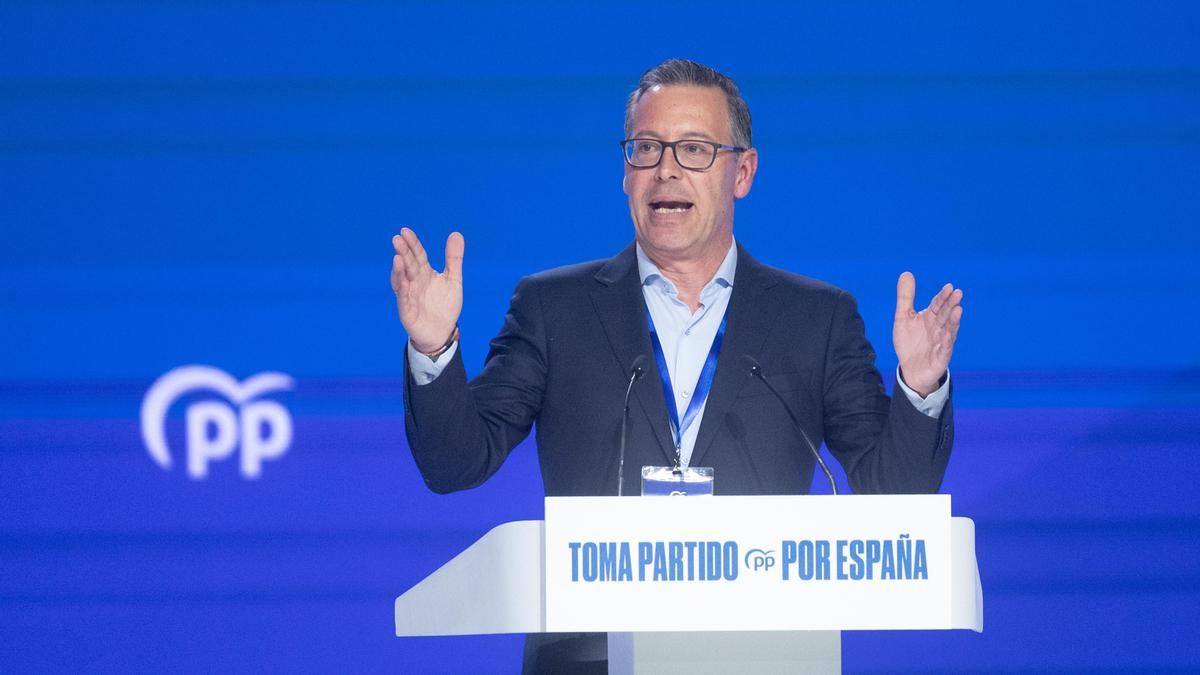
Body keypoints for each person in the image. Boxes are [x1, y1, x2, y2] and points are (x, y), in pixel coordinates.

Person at [391, 59, 963, 672]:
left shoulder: (816, 318)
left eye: (693, 149)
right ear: (625, 173)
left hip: (764, 655)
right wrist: (433, 350)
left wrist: (920, 386)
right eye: (646, 148)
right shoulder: (553, 308)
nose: (666, 169)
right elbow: (455, 463)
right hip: (592, 659)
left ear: (741, 171)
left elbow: (892, 494)